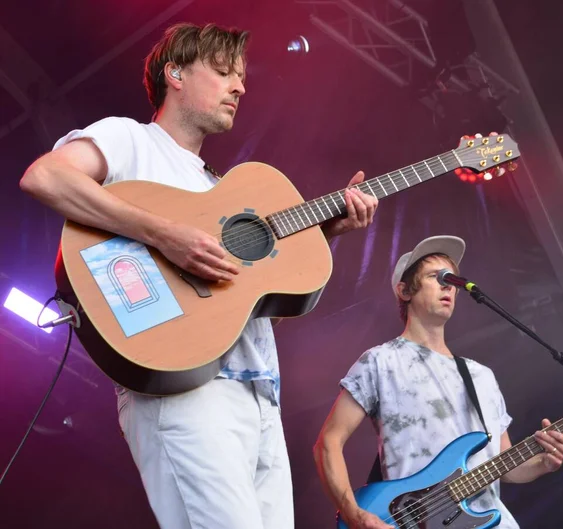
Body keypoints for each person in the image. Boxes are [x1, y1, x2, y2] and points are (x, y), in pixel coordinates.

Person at [19, 22, 378, 529]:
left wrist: (327, 234)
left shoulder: (220, 187)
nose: (241, 87)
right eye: (224, 72)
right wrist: (166, 235)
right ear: (176, 74)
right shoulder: (130, 139)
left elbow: (246, 305)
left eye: (243, 77)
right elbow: (46, 176)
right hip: (184, 396)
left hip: (260, 398)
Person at [313, 235, 563, 529]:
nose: (449, 284)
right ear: (405, 290)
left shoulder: (481, 376)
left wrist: (544, 463)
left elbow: (503, 465)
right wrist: (355, 515)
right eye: (436, 277)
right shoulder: (380, 361)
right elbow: (327, 443)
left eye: (453, 280)